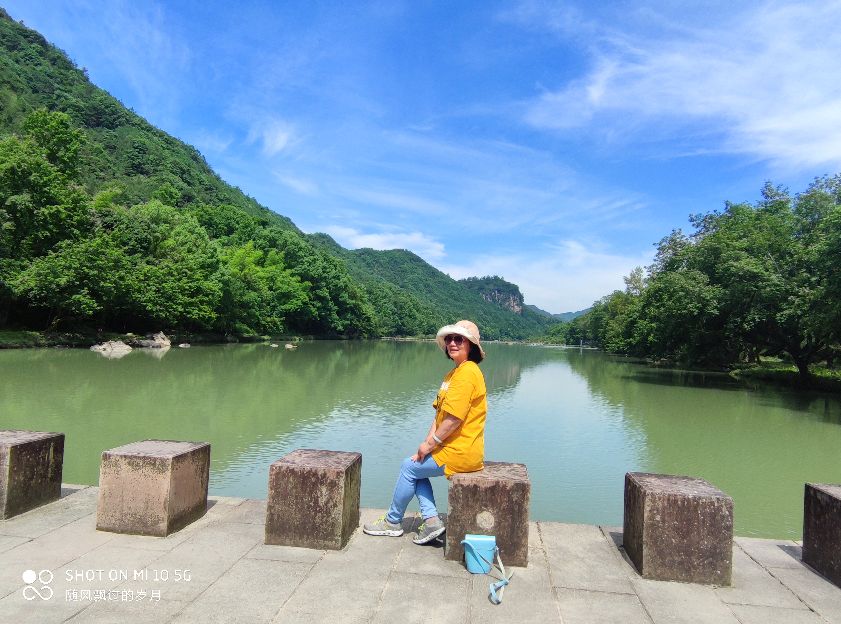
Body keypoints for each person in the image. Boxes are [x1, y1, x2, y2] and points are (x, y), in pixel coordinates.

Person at [363, 319, 487, 544]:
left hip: (460, 451)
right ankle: (431, 522)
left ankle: (392, 522)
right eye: (449, 339)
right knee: (415, 466)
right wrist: (426, 446)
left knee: (408, 468)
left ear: (471, 345)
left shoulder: (468, 373)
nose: (452, 343)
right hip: (450, 447)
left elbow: (454, 419)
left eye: (459, 339)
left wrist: (430, 444)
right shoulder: (453, 374)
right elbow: (439, 415)